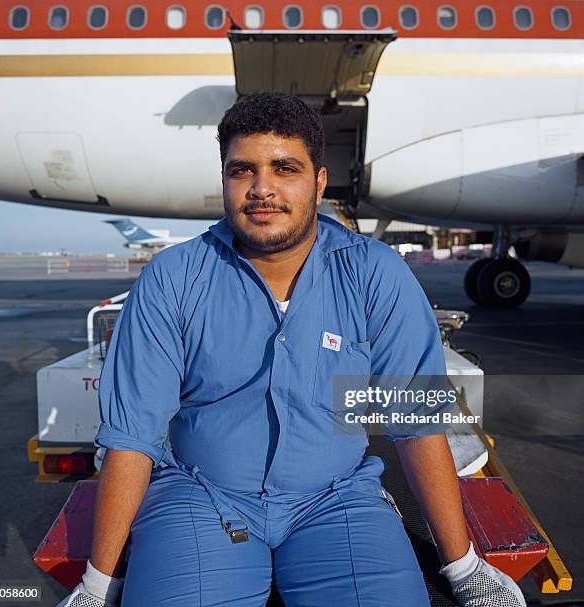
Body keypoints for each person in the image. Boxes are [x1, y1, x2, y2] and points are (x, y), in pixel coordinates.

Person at [58, 93, 526, 607]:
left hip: (337, 499)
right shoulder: (174, 279)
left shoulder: (374, 274)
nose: (263, 189)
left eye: (285, 168)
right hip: (201, 497)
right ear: (224, 181)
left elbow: (415, 424)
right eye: (243, 171)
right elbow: (132, 436)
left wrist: (462, 569)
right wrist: (97, 586)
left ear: (319, 182)